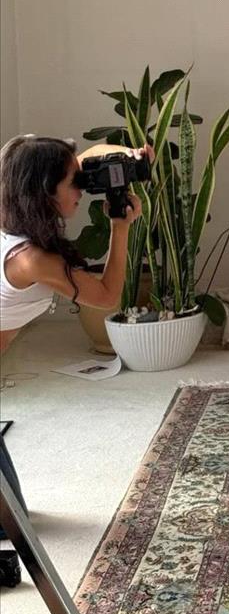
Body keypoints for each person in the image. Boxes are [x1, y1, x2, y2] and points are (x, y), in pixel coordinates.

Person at [0, 134, 149, 585]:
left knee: (13, 512)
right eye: (74, 183)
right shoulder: (30, 259)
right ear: (44, 191)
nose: (81, 190)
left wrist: (129, 160)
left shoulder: (11, 206)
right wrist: (120, 228)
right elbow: (106, 296)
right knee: (10, 523)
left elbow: (81, 160)